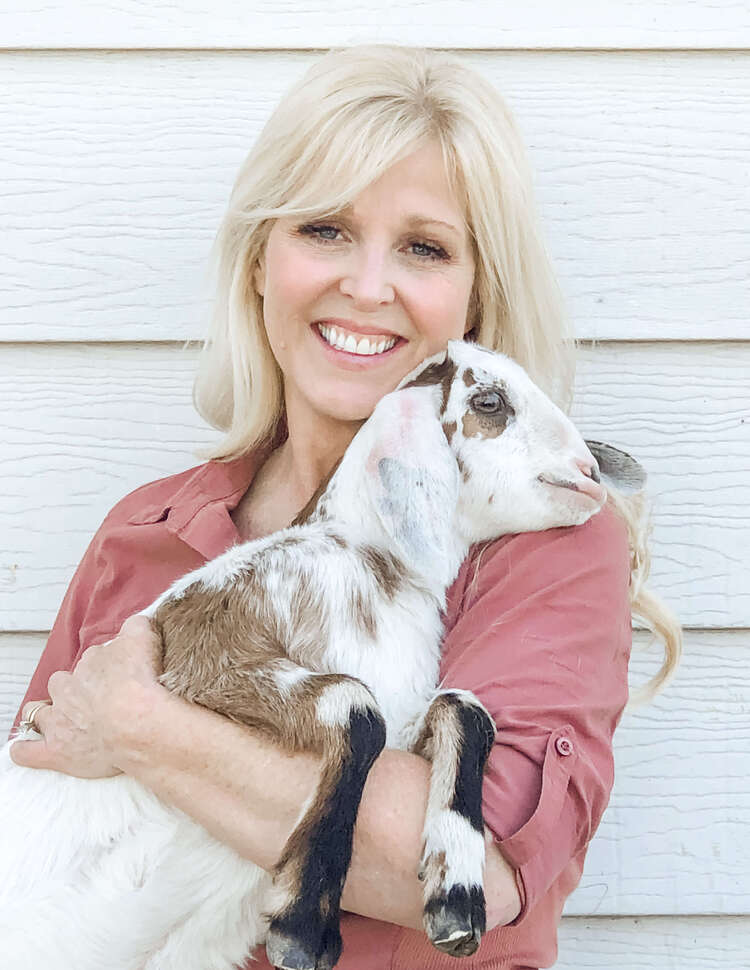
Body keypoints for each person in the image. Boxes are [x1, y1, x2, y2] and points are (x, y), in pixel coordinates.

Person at [10, 44, 680, 969]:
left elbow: (460, 880)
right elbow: (38, 820)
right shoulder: (148, 533)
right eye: (323, 229)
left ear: (474, 294)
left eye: (423, 247)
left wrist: (145, 727)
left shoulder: (544, 545)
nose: (367, 287)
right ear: (258, 262)